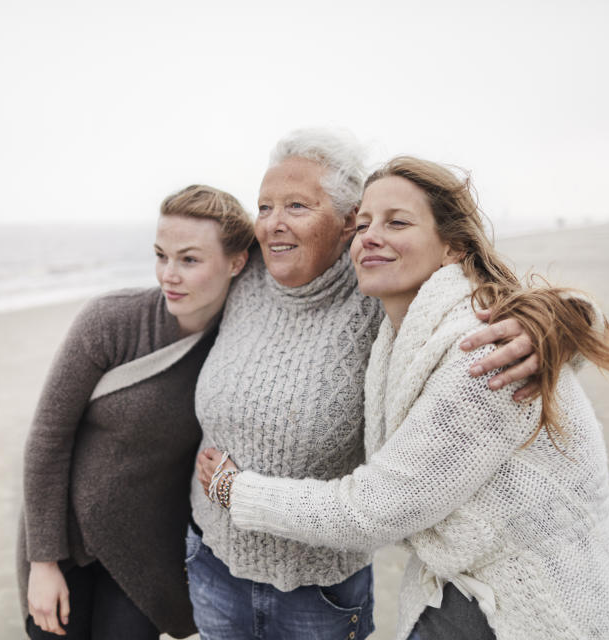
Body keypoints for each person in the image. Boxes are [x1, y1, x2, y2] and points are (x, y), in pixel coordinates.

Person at [199, 156, 609, 639]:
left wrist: (234, 490)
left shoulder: (484, 354)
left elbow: (375, 508)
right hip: (454, 596)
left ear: (453, 246)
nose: (370, 236)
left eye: (398, 222)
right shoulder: (405, 326)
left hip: (537, 613)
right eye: (363, 224)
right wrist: (568, 318)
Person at [185, 130, 547, 640]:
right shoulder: (242, 275)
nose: (273, 223)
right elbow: (174, 284)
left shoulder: (382, 288)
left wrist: (556, 327)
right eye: (264, 206)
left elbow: (482, 303)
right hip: (212, 561)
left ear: (345, 224)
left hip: (321, 589)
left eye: (296, 206)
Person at [17, 184, 253, 639]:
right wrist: (42, 563)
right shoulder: (111, 321)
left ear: (236, 262)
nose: (169, 274)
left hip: (148, 557)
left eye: (189, 259)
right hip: (65, 542)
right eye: (161, 255)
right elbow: (47, 438)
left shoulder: (237, 344)